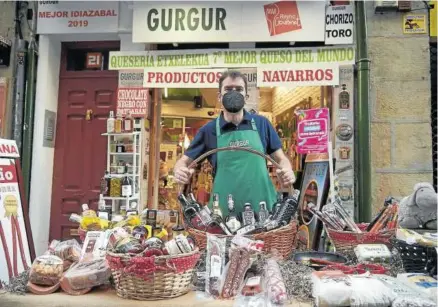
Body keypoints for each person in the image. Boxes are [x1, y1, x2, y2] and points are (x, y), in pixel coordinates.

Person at [173, 70, 295, 215]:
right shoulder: (208, 131)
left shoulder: (262, 124)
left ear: (246, 96)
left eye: (239, 90)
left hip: (265, 212)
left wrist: (287, 170)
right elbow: (183, 162)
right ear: (219, 96)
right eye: (228, 89)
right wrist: (179, 171)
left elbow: (281, 159)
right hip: (224, 216)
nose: (234, 93)